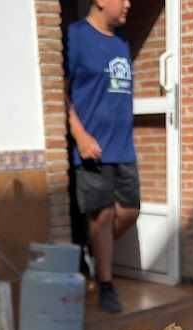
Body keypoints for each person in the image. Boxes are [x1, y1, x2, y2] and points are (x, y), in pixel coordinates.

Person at [64, 0, 140, 313]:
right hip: (92, 148)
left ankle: (92, 248)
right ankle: (106, 284)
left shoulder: (121, 40)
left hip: (123, 146)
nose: (128, 4)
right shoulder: (75, 36)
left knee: (129, 212)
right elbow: (61, 91)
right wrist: (80, 135)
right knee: (102, 215)